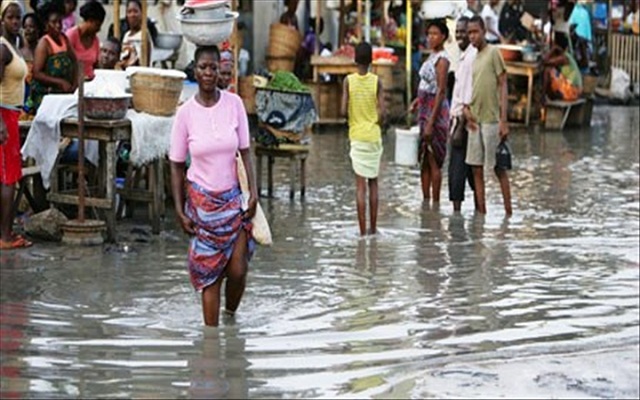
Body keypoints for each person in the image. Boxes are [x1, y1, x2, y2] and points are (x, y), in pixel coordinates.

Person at [169, 45, 257, 327]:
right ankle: (211, 346)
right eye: (203, 67)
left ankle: (231, 322)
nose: (208, 73)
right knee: (211, 276)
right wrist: (179, 211)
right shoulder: (185, 114)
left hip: (234, 202)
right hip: (202, 205)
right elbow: (176, 163)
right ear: (195, 70)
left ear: (221, 71)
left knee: (238, 268)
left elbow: (245, 150)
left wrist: (253, 192)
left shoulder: (234, 104)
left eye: (213, 67)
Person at [466, 16, 512, 216]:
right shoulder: (473, 59)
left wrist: (504, 120)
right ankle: (482, 213)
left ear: (484, 31)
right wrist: (467, 111)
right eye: (469, 33)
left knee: (498, 168)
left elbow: (503, 84)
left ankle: (508, 213)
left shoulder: (493, 52)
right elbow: (472, 90)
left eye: (475, 32)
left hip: (492, 119)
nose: (472, 36)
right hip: (475, 120)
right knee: (476, 168)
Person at [341, 42, 385, 237]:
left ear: (355, 59)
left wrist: (351, 116)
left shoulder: (348, 81)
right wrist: (375, 121)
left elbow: (343, 110)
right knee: (373, 183)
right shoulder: (378, 82)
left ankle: (361, 232)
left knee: (360, 187)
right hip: (373, 136)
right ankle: (373, 229)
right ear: (371, 60)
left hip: (357, 136)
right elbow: (382, 113)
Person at [0, 0, 31, 250]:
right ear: (2, 19)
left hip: (12, 114)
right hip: (4, 116)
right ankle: (6, 236)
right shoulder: (2, 49)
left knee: (8, 177)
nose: (15, 22)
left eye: (18, 17)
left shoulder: (16, 44)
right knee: (8, 178)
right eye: (10, 17)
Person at [411, 19, 450, 203]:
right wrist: (417, 101)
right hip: (425, 110)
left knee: (434, 158)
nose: (431, 37)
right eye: (429, 34)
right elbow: (428, 84)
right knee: (424, 158)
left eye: (435, 34)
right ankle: (426, 203)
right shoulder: (431, 56)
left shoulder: (442, 60)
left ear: (443, 36)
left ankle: (435, 203)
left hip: (435, 114)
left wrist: (431, 123)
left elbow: (440, 91)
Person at [27, 0, 77, 113]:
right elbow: (37, 73)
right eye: (54, 22)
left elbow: (75, 62)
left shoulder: (65, 40)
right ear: (46, 24)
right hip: (47, 100)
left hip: (64, 98)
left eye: (60, 21)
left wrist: (74, 85)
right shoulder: (44, 44)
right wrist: (60, 82)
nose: (58, 26)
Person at [448, 17, 477, 213]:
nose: (459, 35)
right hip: (461, 119)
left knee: (458, 172)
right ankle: (475, 215)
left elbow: (467, 95)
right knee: (469, 172)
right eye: (457, 32)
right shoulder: (464, 56)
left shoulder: (470, 58)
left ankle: (458, 215)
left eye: (463, 32)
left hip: (464, 121)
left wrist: (460, 124)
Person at [66, 0, 105, 81]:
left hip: (90, 81)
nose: (99, 29)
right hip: (73, 82)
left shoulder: (95, 40)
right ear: (90, 21)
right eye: (97, 25)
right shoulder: (71, 36)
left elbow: (96, 65)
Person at [543, 34, 583, 102]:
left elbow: (545, 61)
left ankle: (543, 97)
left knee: (548, 70)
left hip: (573, 91)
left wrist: (552, 49)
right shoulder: (567, 55)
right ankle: (549, 96)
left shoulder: (563, 58)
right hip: (575, 90)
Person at [119, 0, 154, 68]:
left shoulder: (144, 35)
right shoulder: (126, 35)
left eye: (135, 11)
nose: (132, 15)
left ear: (142, 14)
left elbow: (144, 62)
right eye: (129, 12)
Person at [20, 12, 40, 110]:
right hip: (22, 99)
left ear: (38, 29)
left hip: (39, 99)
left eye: (31, 26)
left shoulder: (43, 51)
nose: (28, 30)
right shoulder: (19, 53)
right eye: (25, 27)